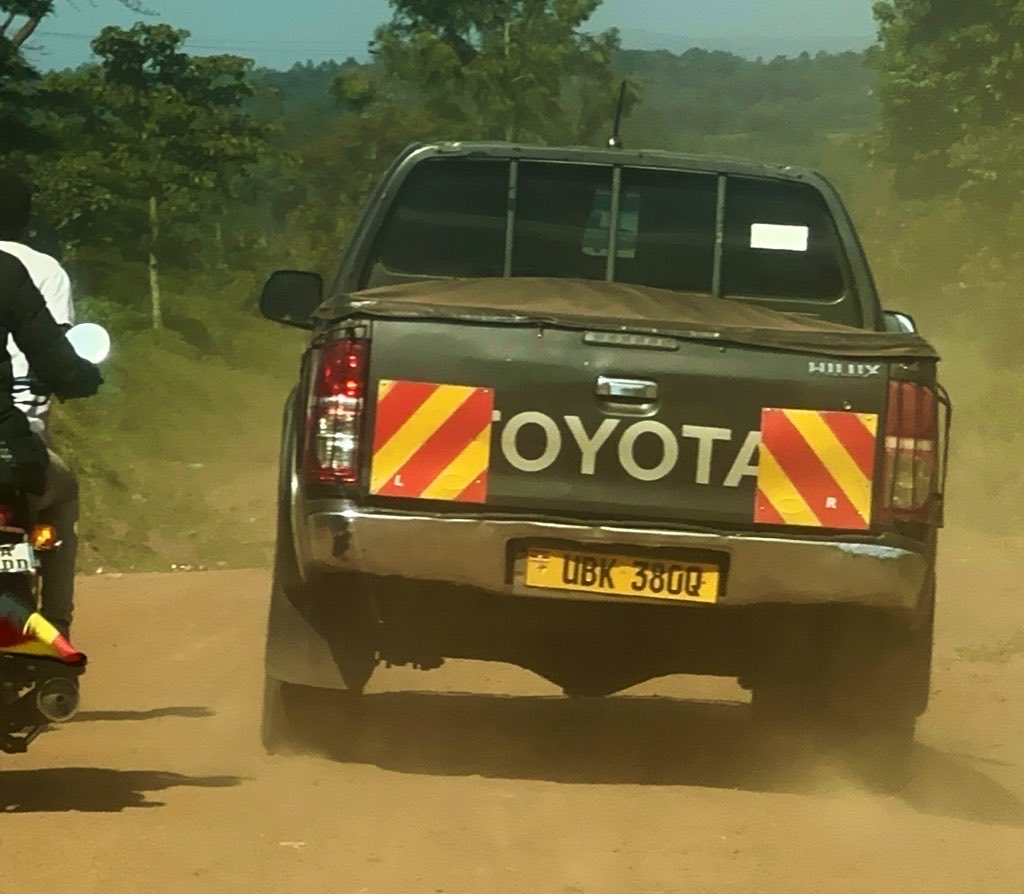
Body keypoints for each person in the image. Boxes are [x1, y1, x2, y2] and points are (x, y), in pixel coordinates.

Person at [0, 169, 101, 636]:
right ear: (24, 218)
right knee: (65, 492)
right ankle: (56, 624)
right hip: (12, 444)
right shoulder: (23, 270)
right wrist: (83, 378)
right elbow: (55, 355)